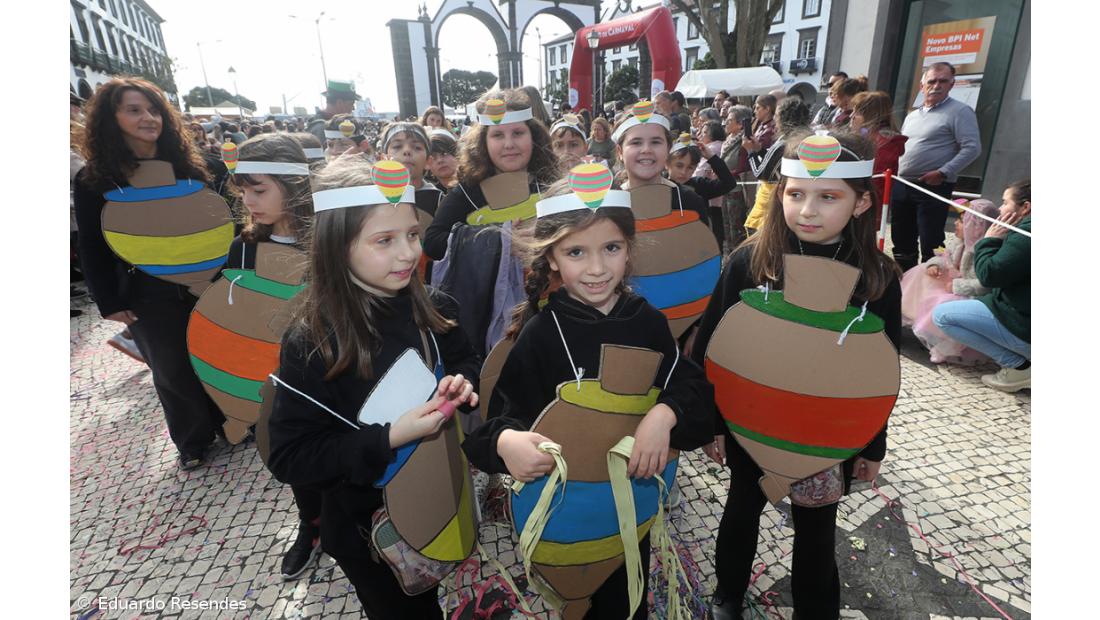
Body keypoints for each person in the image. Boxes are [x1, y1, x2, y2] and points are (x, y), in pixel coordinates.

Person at [462, 171, 714, 619]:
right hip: (568, 516)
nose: (597, 268)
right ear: (553, 259)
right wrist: (506, 443)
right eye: (576, 252)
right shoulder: (541, 336)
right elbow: (492, 427)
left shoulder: (646, 322)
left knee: (625, 603)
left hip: (629, 517)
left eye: (611, 248)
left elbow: (695, 393)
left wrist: (665, 413)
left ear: (629, 250)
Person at [693, 130, 900, 620]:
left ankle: (815, 608)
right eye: (796, 194)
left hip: (826, 433)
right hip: (753, 424)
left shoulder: (877, 278)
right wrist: (713, 423)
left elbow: (880, 376)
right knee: (741, 511)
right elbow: (713, 348)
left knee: (817, 529)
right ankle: (728, 595)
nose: (808, 210)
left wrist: (872, 443)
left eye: (828, 197)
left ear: (860, 202)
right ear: (779, 194)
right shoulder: (749, 262)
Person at [74, 77, 228, 470]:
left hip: (205, 279)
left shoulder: (197, 166)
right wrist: (109, 300)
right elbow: (92, 245)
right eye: (134, 110)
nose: (148, 118)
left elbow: (223, 221)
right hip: (145, 288)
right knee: (171, 367)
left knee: (214, 352)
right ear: (112, 119)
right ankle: (193, 441)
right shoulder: (96, 179)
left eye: (154, 109)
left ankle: (228, 422)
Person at [219, 133, 323, 579]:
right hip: (275, 377)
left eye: (259, 189)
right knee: (295, 451)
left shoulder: (327, 240)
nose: (249, 200)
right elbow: (230, 312)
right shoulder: (243, 247)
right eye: (243, 190)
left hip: (329, 368)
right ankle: (312, 525)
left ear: (294, 185)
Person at [423, 88, 559, 357]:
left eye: (518, 133)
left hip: (551, 308)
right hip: (492, 317)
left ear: (534, 136)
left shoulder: (551, 184)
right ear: (484, 142)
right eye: (498, 135)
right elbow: (434, 241)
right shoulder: (468, 192)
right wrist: (501, 237)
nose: (509, 144)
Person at [933, 180, 1030, 392]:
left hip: (1024, 321)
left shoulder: (1025, 235)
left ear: (1025, 207)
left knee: (942, 316)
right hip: (1016, 309)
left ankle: (1020, 367)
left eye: (1005, 203)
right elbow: (944, 256)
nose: (1000, 209)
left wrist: (989, 240)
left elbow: (988, 276)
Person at [891, 62, 982, 270]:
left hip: (932, 186)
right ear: (922, 86)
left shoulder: (960, 111)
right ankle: (903, 282)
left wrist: (944, 172)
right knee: (901, 238)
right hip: (903, 184)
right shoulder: (913, 115)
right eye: (931, 81)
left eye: (943, 81)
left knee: (931, 241)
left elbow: (972, 148)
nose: (936, 85)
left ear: (952, 84)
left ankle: (931, 285)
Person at [901, 199, 999, 364]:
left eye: (961, 221)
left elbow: (985, 285)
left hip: (970, 295)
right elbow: (945, 258)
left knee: (941, 301)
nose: (956, 224)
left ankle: (945, 346)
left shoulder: (985, 251)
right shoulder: (960, 242)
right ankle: (908, 314)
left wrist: (955, 286)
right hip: (953, 284)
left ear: (976, 226)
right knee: (921, 271)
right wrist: (934, 265)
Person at [743, 98, 811, 233]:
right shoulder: (807, 138)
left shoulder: (784, 142)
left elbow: (761, 173)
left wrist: (750, 151)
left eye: (776, 115)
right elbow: (778, 163)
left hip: (771, 202)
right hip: (794, 198)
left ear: (783, 118)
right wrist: (759, 150)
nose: (774, 119)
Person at [849, 90, 907, 225]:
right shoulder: (866, 137)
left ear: (869, 115)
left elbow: (875, 181)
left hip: (866, 206)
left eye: (856, 112)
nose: (851, 116)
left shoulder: (884, 143)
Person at [306, 79, 360, 145]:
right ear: (340, 103)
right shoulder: (322, 129)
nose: (353, 108)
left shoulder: (324, 125)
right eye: (351, 104)